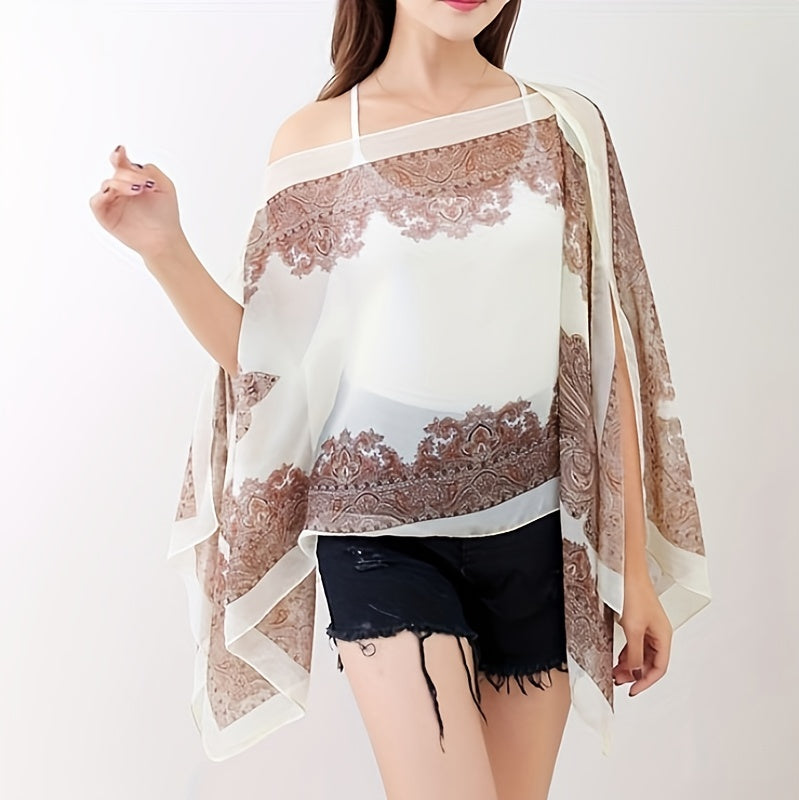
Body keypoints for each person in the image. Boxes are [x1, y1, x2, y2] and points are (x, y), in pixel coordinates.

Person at [89, 1, 712, 798]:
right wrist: (163, 248)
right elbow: (271, 365)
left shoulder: (565, 127)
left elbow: (604, 358)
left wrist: (636, 573)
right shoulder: (316, 140)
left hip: (543, 539)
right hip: (381, 545)